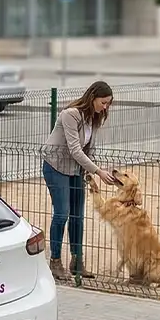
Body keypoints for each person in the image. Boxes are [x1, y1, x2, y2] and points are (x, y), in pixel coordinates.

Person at [41, 80, 118, 281]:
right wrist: (98, 171)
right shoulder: (70, 115)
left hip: (75, 169)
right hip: (56, 166)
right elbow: (75, 149)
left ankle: (77, 261)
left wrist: (92, 171)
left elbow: (88, 149)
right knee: (62, 213)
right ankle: (55, 261)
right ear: (93, 98)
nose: (105, 107)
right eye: (104, 102)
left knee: (78, 216)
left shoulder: (93, 118)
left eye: (108, 103)